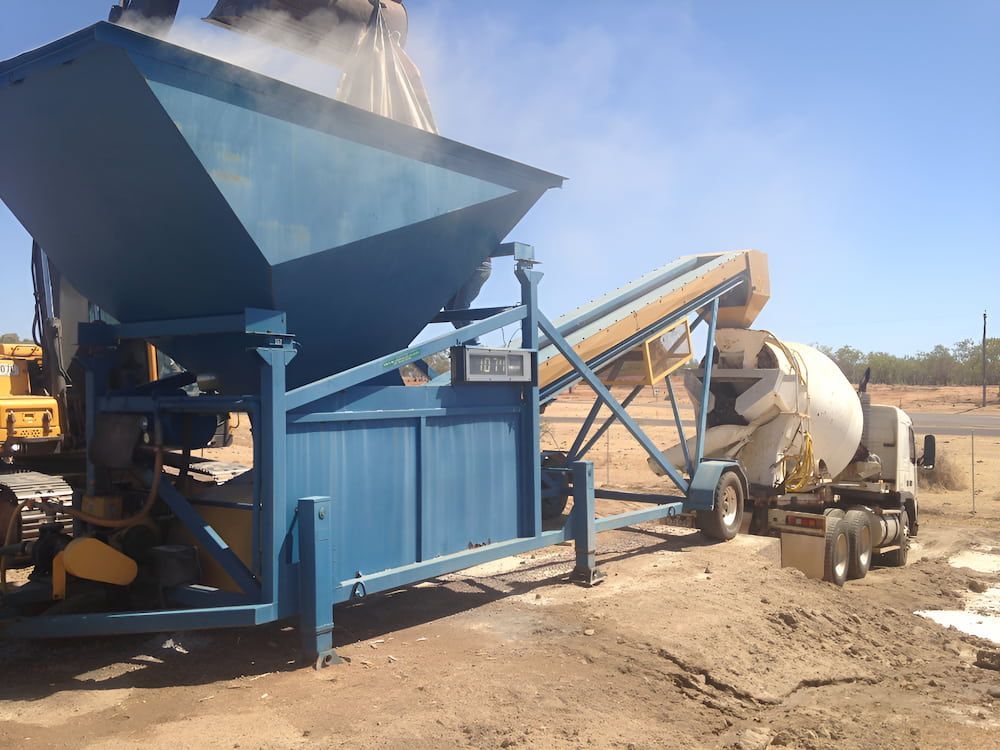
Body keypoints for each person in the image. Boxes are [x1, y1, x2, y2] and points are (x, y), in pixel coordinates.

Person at [446, 258, 492, 345]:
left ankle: (474, 341)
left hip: (479, 268)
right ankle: (467, 338)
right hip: (463, 269)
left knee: (460, 307)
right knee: (449, 308)